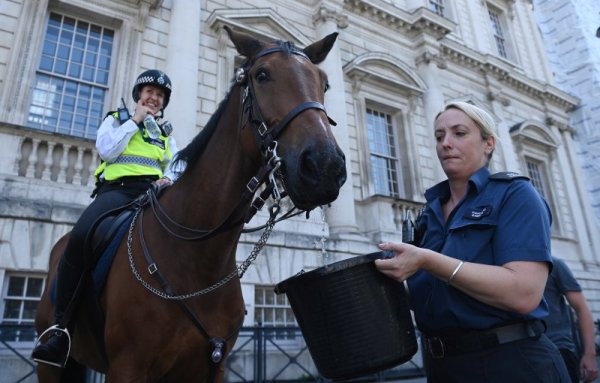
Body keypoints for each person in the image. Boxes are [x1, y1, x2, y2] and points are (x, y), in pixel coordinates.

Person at [374, 101, 570, 382]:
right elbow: (432, 296)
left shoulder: (515, 195)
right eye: (439, 136)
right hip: (443, 367)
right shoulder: (429, 212)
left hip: (510, 363)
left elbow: (524, 294)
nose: (446, 143)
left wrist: (428, 259)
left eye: (459, 133)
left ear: (488, 143)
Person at [32, 69, 181, 367]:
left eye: (160, 95)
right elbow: (107, 150)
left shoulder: (164, 134)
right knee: (80, 237)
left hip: (152, 196)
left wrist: (167, 179)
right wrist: (133, 121)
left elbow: (175, 165)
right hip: (117, 194)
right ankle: (59, 328)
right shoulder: (116, 119)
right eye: (149, 92)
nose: (154, 98)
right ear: (139, 94)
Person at [544, 255, 598, 382]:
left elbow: (582, 309)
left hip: (560, 350)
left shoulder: (555, 264)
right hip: (524, 353)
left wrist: (590, 354)